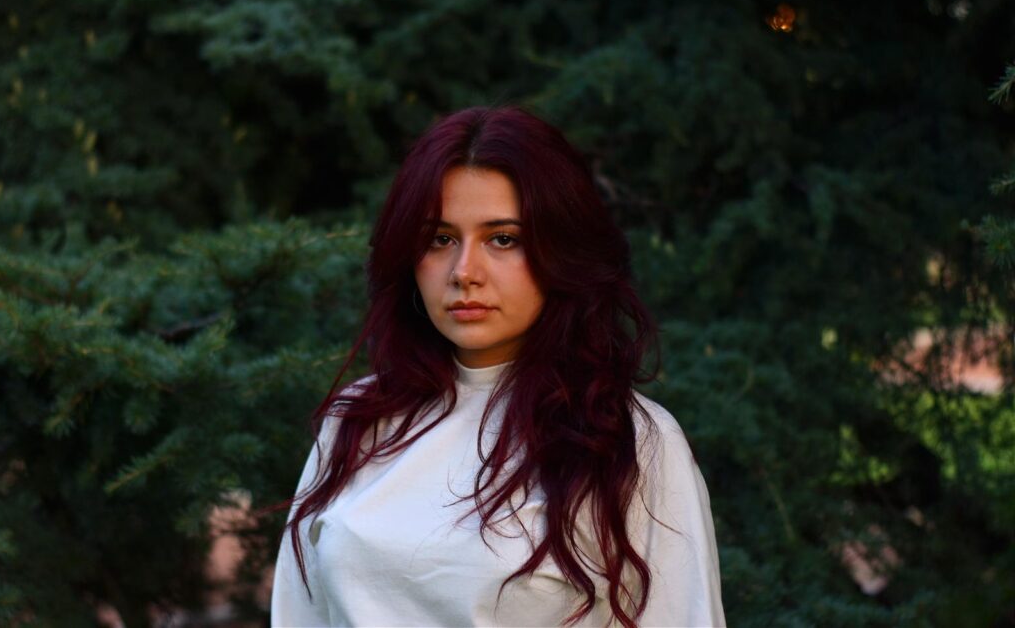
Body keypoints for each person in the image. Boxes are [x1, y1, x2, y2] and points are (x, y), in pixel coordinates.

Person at [270, 106, 725, 627]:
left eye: (502, 239)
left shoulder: (630, 440)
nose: (465, 272)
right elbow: (298, 615)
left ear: (560, 251)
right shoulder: (358, 420)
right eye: (440, 239)